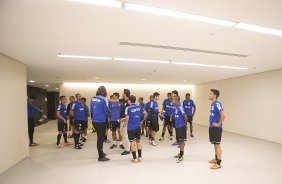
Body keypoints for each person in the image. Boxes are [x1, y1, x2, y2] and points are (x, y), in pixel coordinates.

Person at [125, 95, 147, 163]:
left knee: (132, 143)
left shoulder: (128, 108)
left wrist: (124, 125)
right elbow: (146, 114)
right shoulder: (139, 106)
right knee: (138, 141)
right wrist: (142, 121)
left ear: (129, 100)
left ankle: (135, 159)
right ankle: (140, 157)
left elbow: (127, 118)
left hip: (131, 128)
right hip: (138, 127)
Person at [90, 86, 110, 161]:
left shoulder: (93, 99)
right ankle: (100, 156)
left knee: (99, 137)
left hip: (95, 121)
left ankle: (101, 152)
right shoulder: (104, 99)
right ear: (104, 91)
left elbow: (91, 110)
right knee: (100, 139)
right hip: (101, 121)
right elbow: (107, 111)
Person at [208, 89, 225, 169]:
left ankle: (218, 163)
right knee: (215, 144)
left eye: (210, 93)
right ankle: (216, 159)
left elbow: (223, 115)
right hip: (212, 127)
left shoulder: (217, 104)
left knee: (217, 145)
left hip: (216, 128)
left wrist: (219, 124)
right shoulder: (212, 104)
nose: (209, 95)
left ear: (215, 95)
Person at [172, 95, 188, 163]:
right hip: (177, 127)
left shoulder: (180, 107)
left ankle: (181, 155)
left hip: (181, 127)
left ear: (177, 100)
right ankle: (181, 153)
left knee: (181, 141)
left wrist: (185, 125)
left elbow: (185, 116)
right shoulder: (175, 107)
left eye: (173, 99)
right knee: (179, 141)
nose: (172, 101)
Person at [119, 89, 131, 155]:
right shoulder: (123, 101)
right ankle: (129, 147)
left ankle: (128, 150)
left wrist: (126, 121)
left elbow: (128, 113)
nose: (121, 93)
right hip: (122, 119)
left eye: (122, 92)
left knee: (126, 135)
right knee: (123, 134)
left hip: (125, 120)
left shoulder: (128, 102)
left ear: (125, 94)